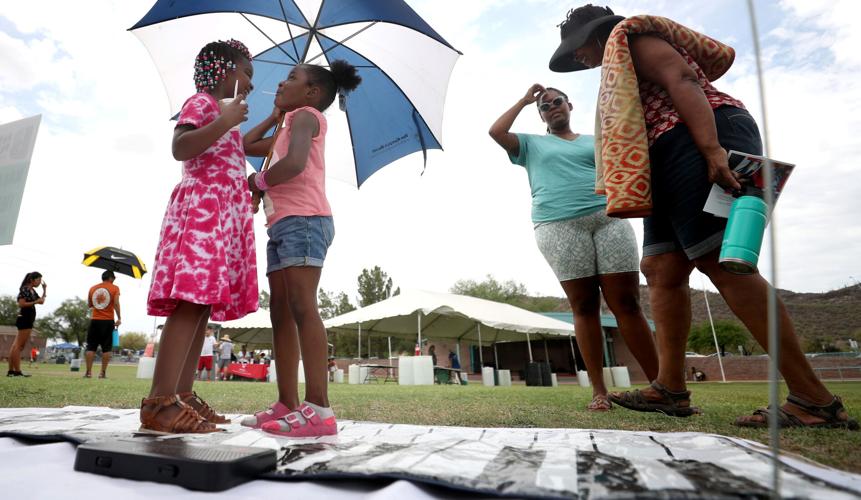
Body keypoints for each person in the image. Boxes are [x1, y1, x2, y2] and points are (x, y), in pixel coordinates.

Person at [550, 5, 858, 429]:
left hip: (695, 135)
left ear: (596, 34)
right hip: (663, 153)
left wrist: (711, 149)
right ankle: (670, 389)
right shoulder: (620, 59)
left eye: (578, 48)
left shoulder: (631, 39)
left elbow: (683, 78)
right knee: (660, 267)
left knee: (722, 260)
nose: (578, 58)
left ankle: (813, 399)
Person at [489, 84, 659, 411]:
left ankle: (661, 387)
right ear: (541, 116)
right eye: (545, 106)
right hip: (558, 225)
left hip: (608, 218)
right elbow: (496, 131)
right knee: (584, 305)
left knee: (626, 302)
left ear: (569, 105)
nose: (552, 107)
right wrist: (524, 100)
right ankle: (599, 391)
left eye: (557, 102)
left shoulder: (594, 141)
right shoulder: (531, 144)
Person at [140, 39, 258, 434]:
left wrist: (274, 117)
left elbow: (243, 144)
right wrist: (225, 121)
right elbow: (181, 147)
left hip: (218, 218)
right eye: (247, 73)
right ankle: (159, 402)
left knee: (202, 306)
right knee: (189, 303)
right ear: (225, 70)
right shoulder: (202, 104)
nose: (250, 83)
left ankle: (183, 395)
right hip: (201, 216)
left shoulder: (220, 115)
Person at [240, 59, 362, 437]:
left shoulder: (307, 116)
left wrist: (259, 180)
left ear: (312, 93)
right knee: (280, 312)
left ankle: (320, 408)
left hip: (304, 221)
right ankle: (287, 403)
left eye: (292, 78)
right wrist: (275, 115)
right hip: (281, 225)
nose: (281, 81)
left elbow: (293, 164)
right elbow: (246, 144)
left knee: (302, 307)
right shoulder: (287, 123)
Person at [84, 270, 121, 379]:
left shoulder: (92, 288)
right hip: (108, 320)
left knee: (91, 347)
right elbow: (116, 303)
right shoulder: (115, 288)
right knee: (106, 348)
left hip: (94, 320)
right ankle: (102, 373)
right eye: (114, 278)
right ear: (111, 278)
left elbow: (90, 305)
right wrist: (119, 317)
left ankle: (88, 373)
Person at [8, 272, 45, 377]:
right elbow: (21, 304)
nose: (39, 282)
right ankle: (17, 371)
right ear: (31, 280)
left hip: (28, 319)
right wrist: (35, 302)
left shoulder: (32, 291)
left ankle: (11, 371)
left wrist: (44, 289)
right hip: (24, 318)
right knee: (19, 346)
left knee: (16, 345)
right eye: (38, 280)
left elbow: (41, 301)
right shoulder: (25, 289)